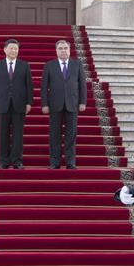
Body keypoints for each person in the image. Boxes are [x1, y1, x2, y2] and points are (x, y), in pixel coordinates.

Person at [41, 40, 87, 169]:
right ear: (56, 51)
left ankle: (70, 161)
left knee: (71, 134)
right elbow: (44, 86)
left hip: (72, 104)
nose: (63, 50)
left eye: (65, 48)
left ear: (69, 49)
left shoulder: (77, 64)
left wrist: (82, 102)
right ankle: (55, 162)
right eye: (60, 48)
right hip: (55, 104)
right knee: (54, 134)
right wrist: (44, 104)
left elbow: (82, 84)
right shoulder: (49, 65)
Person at [0, 39, 33, 169]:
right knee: (3, 133)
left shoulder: (24, 65)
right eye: (11, 48)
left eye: (16, 49)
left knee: (18, 134)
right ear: (5, 49)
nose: (14, 51)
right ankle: (3, 161)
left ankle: (17, 161)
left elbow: (29, 86)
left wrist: (29, 102)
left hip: (19, 104)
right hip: (2, 104)